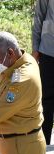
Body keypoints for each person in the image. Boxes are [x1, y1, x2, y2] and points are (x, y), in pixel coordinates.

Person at [32, 0, 54, 145]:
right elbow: (38, 16)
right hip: (48, 48)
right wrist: (35, 48)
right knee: (46, 97)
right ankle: (43, 142)